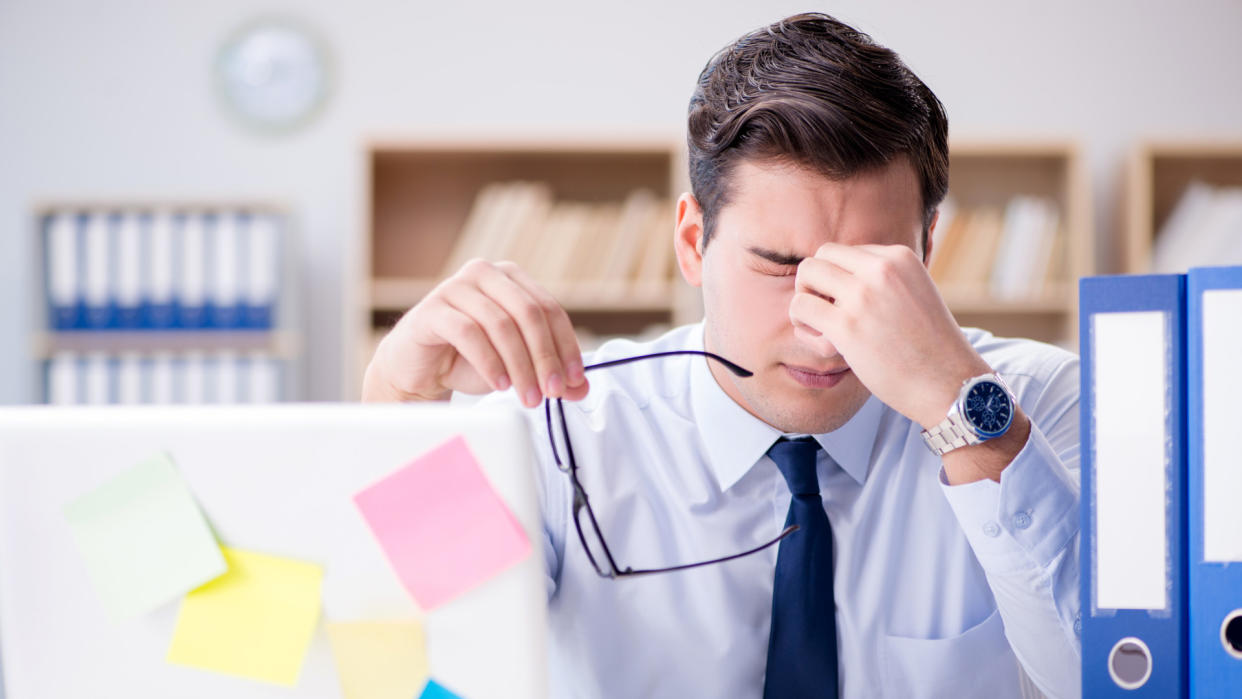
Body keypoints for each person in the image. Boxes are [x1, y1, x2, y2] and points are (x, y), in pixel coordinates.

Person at [364, 12, 1080, 699]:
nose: (825, 331)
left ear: (927, 248)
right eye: (778, 265)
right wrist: (397, 401)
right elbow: (424, 661)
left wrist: (964, 409)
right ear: (689, 242)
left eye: (871, 276)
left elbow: (1117, 679)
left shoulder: (1040, 406)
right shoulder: (564, 432)